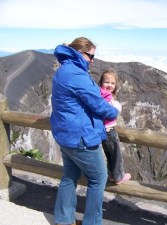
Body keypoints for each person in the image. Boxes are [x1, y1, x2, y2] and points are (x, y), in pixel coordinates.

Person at [51, 37, 119, 225]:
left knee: (69, 177)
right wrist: (114, 112)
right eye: (90, 56)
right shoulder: (77, 75)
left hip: (65, 136)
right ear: (80, 53)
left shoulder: (63, 70)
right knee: (99, 178)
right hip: (81, 137)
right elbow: (97, 103)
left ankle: (63, 220)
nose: (92, 60)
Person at [98, 69, 131, 185]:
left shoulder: (98, 95)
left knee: (109, 153)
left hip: (102, 131)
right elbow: (115, 110)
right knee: (116, 154)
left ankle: (111, 175)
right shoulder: (107, 98)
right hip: (109, 130)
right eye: (107, 82)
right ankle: (119, 177)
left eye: (112, 83)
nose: (110, 85)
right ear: (101, 82)